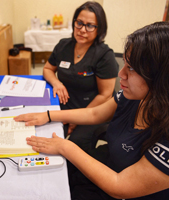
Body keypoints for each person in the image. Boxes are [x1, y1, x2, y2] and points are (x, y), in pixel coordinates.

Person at [14, 21, 169, 200]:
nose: (121, 74)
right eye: (125, 64)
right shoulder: (138, 96)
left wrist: (65, 146)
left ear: (166, 77)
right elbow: (95, 113)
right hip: (111, 164)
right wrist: (47, 115)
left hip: (121, 187)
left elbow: (120, 186)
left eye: (131, 68)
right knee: (49, 175)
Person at [43, 1, 118, 151]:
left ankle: (75, 174)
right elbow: (47, 68)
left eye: (90, 25)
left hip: (94, 109)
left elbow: (105, 95)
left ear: (99, 29)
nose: (83, 30)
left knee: (75, 143)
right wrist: (57, 83)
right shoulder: (63, 45)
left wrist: (76, 119)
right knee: (49, 134)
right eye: (79, 23)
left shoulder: (104, 55)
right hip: (68, 104)